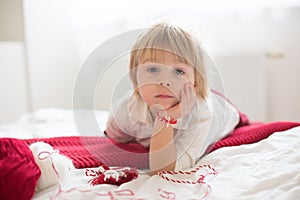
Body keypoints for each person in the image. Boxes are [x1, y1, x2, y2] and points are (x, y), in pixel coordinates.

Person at [105, 21, 239, 175]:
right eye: (153, 69)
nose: (165, 81)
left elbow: (163, 169)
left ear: (196, 80)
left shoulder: (201, 115)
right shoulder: (128, 109)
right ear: (136, 79)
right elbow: (113, 134)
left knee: (224, 109)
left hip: (223, 111)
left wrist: (166, 119)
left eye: (179, 71)